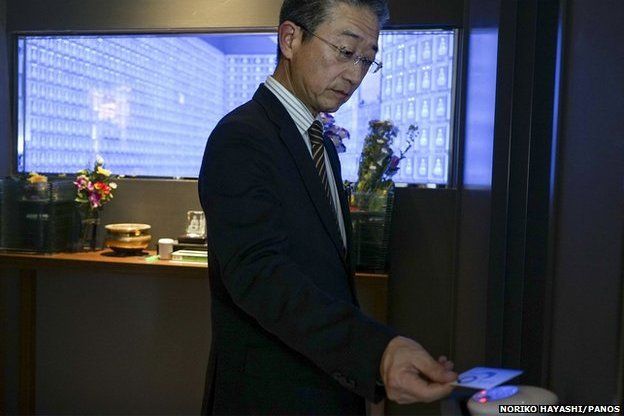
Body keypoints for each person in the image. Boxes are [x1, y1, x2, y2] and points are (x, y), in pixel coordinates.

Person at [198, 0, 457, 414]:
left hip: (326, 386)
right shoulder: (242, 138)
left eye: (368, 61)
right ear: (290, 38)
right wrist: (378, 352)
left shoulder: (320, 142)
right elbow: (259, 275)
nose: (355, 74)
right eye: (345, 50)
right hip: (271, 397)